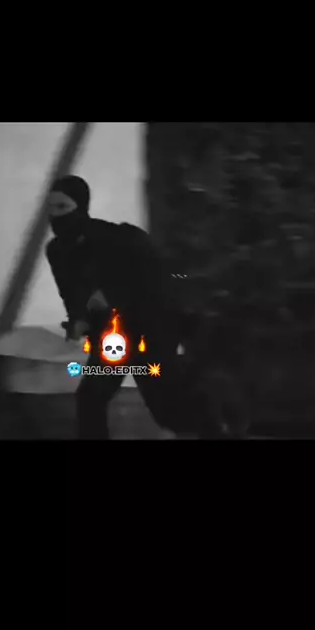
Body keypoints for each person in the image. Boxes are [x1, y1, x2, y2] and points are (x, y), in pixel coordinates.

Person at [46, 175, 204, 440]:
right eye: (51, 207)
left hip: (148, 329)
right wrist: (78, 319)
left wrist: (110, 296)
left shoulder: (112, 238)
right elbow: (70, 294)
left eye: (62, 206)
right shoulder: (57, 251)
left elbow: (151, 277)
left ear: (81, 207)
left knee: (167, 407)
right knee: (91, 397)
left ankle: (212, 428)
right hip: (113, 336)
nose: (55, 215)